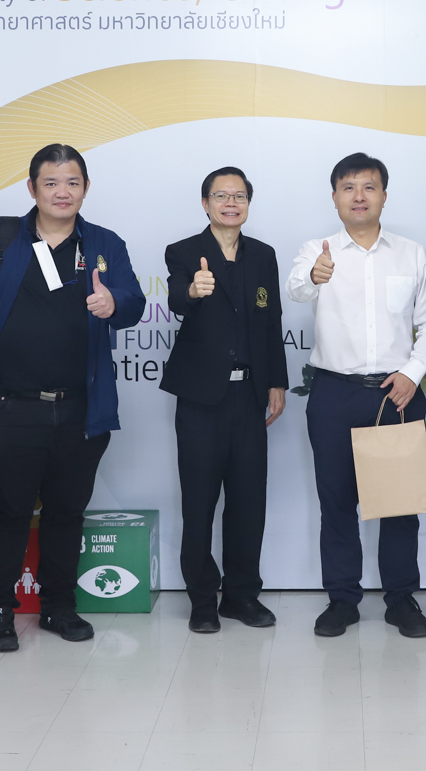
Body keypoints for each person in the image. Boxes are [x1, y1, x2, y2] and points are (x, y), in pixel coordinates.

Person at [0, 144, 145, 653]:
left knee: (67, 511)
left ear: (86, 188)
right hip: (9, 407)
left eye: (72, 182)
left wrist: (114, 303)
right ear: (32, 188)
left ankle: (59, 606)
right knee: (8, 513)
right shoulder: (2, 237)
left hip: (80, 408)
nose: (62, 192)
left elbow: (134, 303)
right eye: (51, 183)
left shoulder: (104, 244)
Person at [286, 153, 426, 638]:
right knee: (336, 502)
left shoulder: (410, 253)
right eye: (349, 187)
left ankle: (401, 600)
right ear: (335, 197)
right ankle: (342, 600)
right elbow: (296, 289)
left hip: (396, 393)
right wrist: (315, 276)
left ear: (384, 196)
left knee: (399, 504)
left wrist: (413, 374)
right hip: (334, 393)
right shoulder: (317, 250)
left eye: (369, 187)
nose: (359, 196)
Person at [162, 167, 289, 634]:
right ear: (205, 203)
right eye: (221, 195)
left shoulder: (263, 255)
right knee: (199, 502)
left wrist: (276, 381)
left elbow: (271, 321)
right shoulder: (183, 251)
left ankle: (241, 596)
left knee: (248, 501)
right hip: (202, 398)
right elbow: (177, 299)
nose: (230, 203)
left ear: (248, 204)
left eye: (239, 196)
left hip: (250, 394)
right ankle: (202, 600)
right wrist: (193, 291)